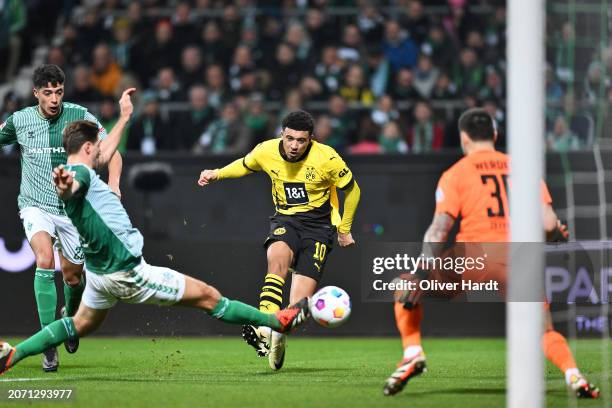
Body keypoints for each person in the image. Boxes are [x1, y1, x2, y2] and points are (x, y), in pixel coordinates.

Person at [0, 120, 310, 376]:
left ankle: (13, 355)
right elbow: (73, 184)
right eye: (101, 145)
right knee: (209, 297)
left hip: (98, 275)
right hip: (127, 273)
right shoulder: (79, 174)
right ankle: (276, 320)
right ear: (89, 148)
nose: (106, 150)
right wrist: (67, 187)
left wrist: (123, 116)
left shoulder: (82, 168)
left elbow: (91, 166)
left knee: (79, 324)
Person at [382, 108, 600, 399]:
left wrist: (421, 274)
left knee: (403, 287)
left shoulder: (456, 172)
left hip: (473, 256)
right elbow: (549, 225)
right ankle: (574, 376)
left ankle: (412, 352)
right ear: (495, 135)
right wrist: (557, 234)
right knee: (543, 330)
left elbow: (438, 230)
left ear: (464, 139)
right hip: (519, 259)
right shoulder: (523, 168)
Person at [197, 110, 361, 371]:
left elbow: (353, 190)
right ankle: (263, 326)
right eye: (289, 138)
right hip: (286, 221)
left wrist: (344, 228)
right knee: (277, 262)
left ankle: (279, 333)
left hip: (319, 228)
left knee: (296, 310)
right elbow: (244, 165)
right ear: (281, 135)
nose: (294, 145)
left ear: (311, 140)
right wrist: (216, 173)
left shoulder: (327, 158)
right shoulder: (266, 150)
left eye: (301, 140)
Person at [0, 64, 127, 372]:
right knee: (44, 261)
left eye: (58, 92)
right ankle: (48, 344)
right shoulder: (19, 120)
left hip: (72, 211)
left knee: (73, 278)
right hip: (35, 205)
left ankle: (68, 320)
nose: (54, 99)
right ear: (36, 94)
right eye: (47, 93)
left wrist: (114, 184)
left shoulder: (80, 116)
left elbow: (111, 150)